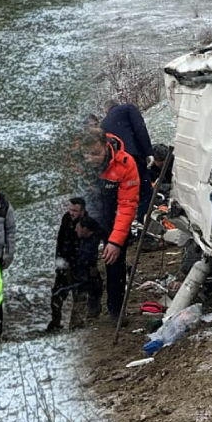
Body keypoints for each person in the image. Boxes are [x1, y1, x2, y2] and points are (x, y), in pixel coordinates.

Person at [82, 128, 141, 320]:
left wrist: (115, 241)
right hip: (87, 217)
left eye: (96, 153)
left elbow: (127, 204)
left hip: (113, 216)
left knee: (114, 262)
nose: (92, 158)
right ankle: (94, 294)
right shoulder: (77, 164)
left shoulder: (125, 164)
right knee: (83, 260)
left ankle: (116, 308)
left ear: (106, 146)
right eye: (87, 154)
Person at [102, 101, 153, 218]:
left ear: (106, 111)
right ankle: (145, 223)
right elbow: (140, 128)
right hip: (132, 157)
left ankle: (131, 227)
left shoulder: (102, 125)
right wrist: (148, 152)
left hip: (116, 167)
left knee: (129, 197)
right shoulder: (127, 109)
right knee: (145, 193)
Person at [47, 197, 86, 332]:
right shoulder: (66, 219)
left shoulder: (86, 223)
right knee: (57, 294)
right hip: (64, 263)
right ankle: (55, 321)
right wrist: (59, 259)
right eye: (70, 209)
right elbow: (60, 238)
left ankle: (76, 323)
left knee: (79, 295)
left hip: (78, 265)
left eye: (74, 210)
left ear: (82, 211)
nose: (71, 213)